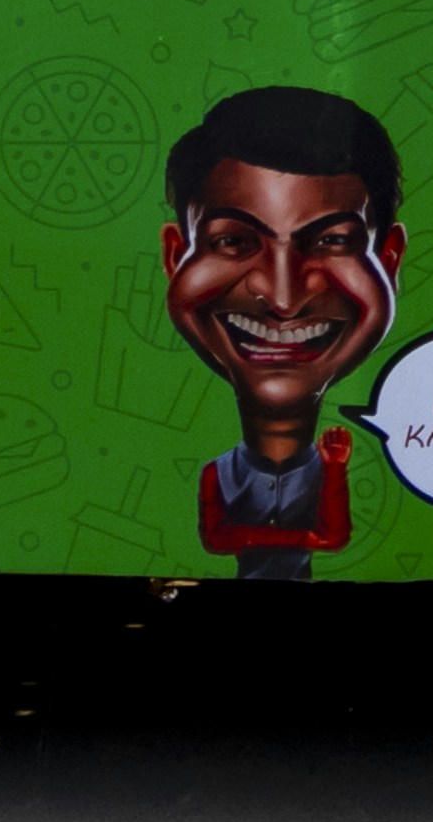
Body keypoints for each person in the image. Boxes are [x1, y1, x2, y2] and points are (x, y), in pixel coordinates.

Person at [162, 85, 404, 580]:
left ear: (389, 261)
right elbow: (217, 539)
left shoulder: (330, 467)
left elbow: (333, 537)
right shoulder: (219, 472)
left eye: (332, 240)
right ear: (174, 258)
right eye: (232, 240)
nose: (283, 297)